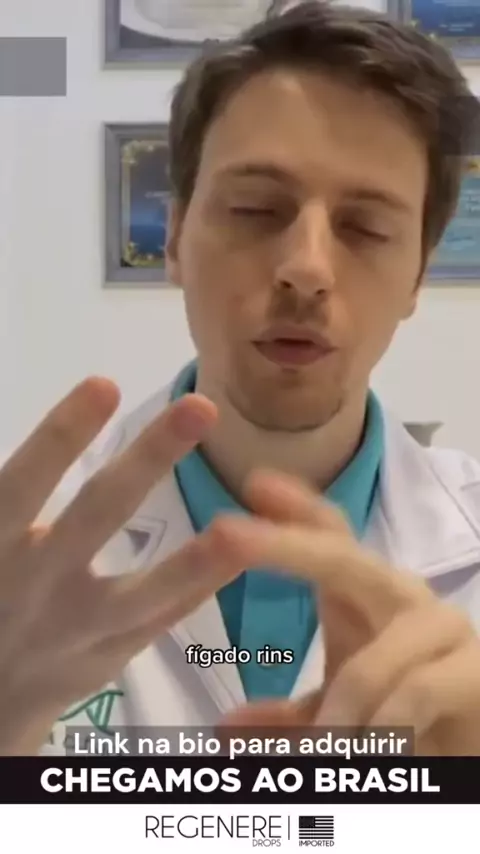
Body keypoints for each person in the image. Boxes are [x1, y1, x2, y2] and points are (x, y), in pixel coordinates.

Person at [2, 0, 480, 757]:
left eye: (366, 227)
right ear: (175, 239)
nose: (307, 269)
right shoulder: (24, 555)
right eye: (256, 209)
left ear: (418, 274)